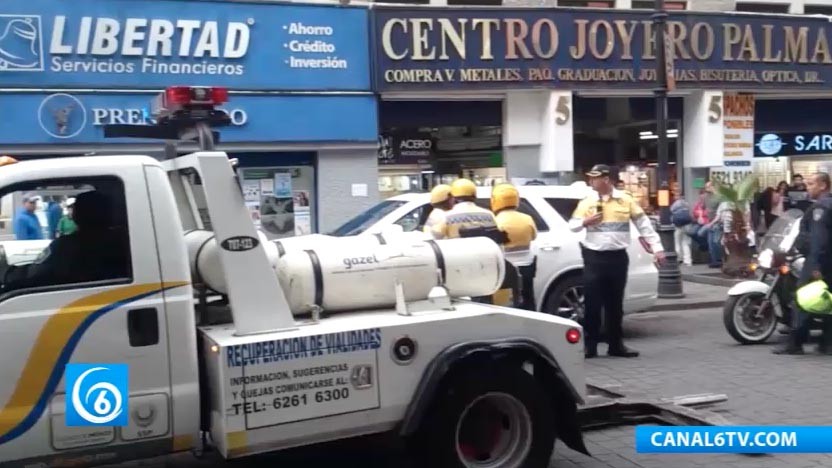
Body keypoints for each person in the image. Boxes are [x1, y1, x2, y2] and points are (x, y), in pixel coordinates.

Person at [569, 165, 666, 359]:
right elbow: (572, 226)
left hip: (617, 258)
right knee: (592, 305)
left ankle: (616, 345)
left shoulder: (626, 200)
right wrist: (585, 222)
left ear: (606, 180)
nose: (591, 181)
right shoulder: (586, 202)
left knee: (615, 304)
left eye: (594, 178)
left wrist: (658, 248)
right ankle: (590, 346)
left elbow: (644, 225)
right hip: (594, 258)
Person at [773, 172, 832, 355]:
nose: (807, 187)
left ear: (823, 185)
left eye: (812, 183)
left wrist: (814, 266)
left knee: (801, 298)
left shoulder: (820, 208)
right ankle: (827, 343)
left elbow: (818, 240)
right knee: (827, 301)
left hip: (819, 261)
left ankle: (795, 343)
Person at [491, 183, 537, 310]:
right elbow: (534, 236)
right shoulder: (527, 218)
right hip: (527, 266)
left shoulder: (495, 220)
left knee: (506, 305)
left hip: (506, 269)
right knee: (528, 299)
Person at [431, 178, 498, 240]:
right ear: (474, 196)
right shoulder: (489, 214)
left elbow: (436, 236)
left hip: (458, 252)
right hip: (485, 252)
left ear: (453, 197)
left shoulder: (446, 217)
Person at [670, 193, 693, 266]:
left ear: (677, 196)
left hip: (678, 226)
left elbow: (671, 212)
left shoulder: (674, 204)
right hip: (687, 225)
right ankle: (688, 261)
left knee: (677, 242)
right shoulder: (686, 204)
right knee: (685, 242)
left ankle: (679, 258)